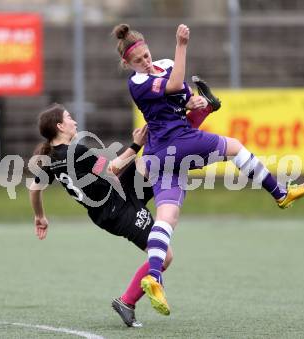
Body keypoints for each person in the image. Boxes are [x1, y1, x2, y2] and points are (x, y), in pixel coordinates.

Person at [112, 23, 304, 316]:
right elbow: (172, 86)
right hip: (175, 142)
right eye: (138, 60)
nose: (144, 61)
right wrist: (181, 45)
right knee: (234, 147)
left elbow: (183, 99)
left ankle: (153, 277)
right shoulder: (138, 83)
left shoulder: (163, 64)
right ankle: (280, 193)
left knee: (168, 218)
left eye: (145, 54)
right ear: (127, 64)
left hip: (162, 154)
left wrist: (198, 102)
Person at [28, 96, 220, 326]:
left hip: (116, 198)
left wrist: (40, 217)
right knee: (165, 256)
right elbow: (112, 170)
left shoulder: (50, 158)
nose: (74, 121)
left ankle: (204, 110)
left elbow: (34, 188)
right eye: (69, 117)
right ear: (59, 126)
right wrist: (135, 145)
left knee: (154, 159)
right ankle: (126, 302)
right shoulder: (75, 151)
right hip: (116, 211)